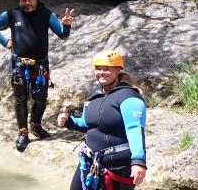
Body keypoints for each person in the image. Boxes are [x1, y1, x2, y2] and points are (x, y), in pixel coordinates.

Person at [0, 0, 74, 151]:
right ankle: (23, 132)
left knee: (40, 98)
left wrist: (67, 25)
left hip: (40, 65)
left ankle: (35, 125)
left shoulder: (46, 14)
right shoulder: (12, 14)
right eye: (23, 0)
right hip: (20, 65)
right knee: (20, 98)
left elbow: (63, 35)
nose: (26, 3)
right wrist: (4, 41)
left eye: (30, 0)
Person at [57, 50, 147, 190]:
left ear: (117, 71)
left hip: (119, 166)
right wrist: (69, 122)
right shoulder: (94, 95)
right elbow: (88, 125)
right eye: (98, 68)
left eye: (107, 69)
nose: (102, 72)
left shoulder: (129, 97)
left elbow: (134, 129)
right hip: (89, 161)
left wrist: (139, 161)